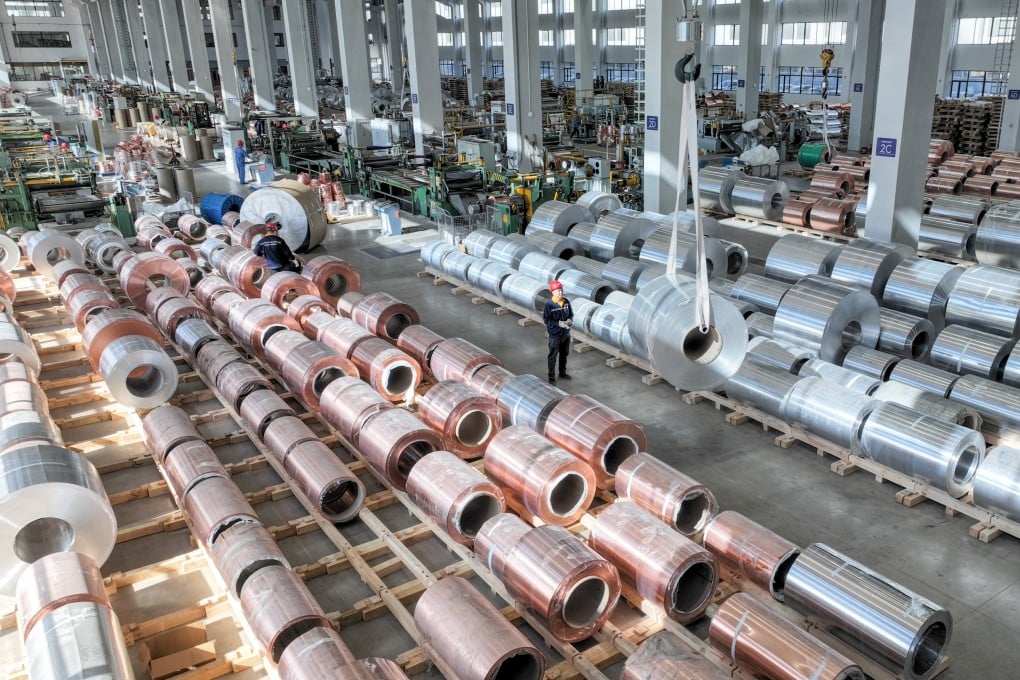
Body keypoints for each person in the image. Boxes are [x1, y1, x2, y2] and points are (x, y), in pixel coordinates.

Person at [543, 280, 573, 384]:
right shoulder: (549, 305)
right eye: (557, 291)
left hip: (565, 334)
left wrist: (569, 320)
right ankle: (551, 378)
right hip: (555, 336)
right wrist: (559, 323)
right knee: (553, 357)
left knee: (564, 354)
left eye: (561, 290)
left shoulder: (566, 302)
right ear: (552, 292)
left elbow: (571, 314)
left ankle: (562, 373)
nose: (560, 292)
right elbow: (546, 320)